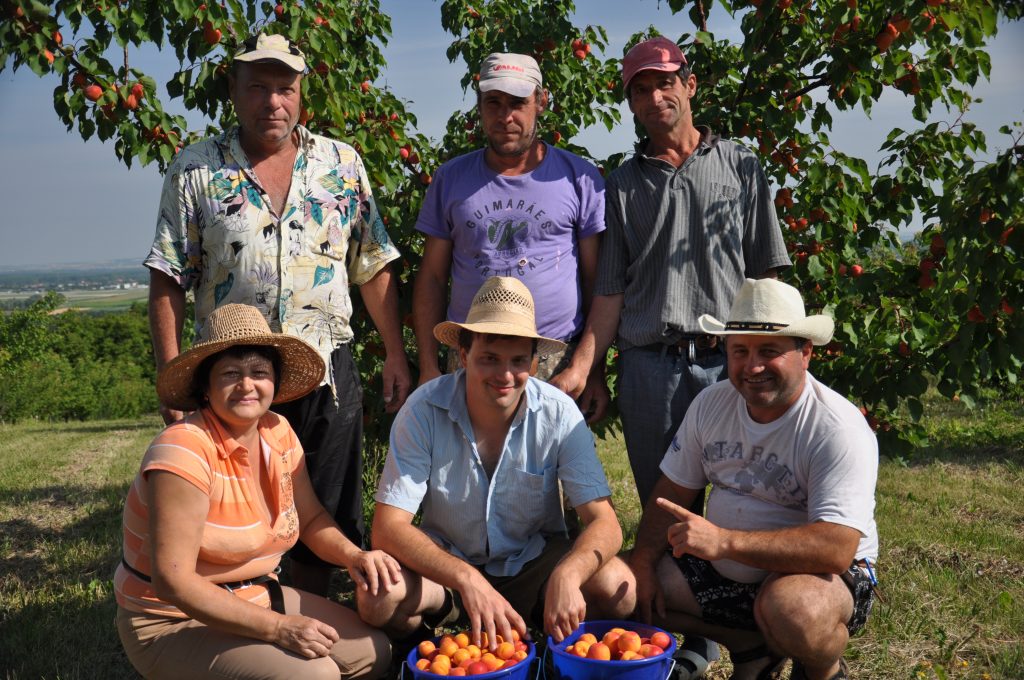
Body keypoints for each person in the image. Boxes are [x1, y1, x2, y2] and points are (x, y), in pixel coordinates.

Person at [550, 37, 792, 676]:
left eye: (664, 83)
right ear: (629, 102)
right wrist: (590, 365)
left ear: (689, 85)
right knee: (665, 501)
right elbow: (611, 289)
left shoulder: (742, 166)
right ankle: (691, 633)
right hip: (651, 363)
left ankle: (756, 628)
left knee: (743, 495)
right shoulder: (621, 185)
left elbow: (768, 273)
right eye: (639, 89)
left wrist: (784, 352)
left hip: (729, 361)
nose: (654, 97)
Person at [145, 31, 412, 595]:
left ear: (301, 94)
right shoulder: (195, 171)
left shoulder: (342, 164)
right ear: (234, 91)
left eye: (285, 88)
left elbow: (372, 264)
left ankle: (317, 618)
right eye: (258, 87)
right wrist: (172, 381)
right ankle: (233, 619)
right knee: (230, 512)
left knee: (329, 510)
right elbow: (168, 276)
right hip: (231, 373)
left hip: (326, 370)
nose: (273, 101)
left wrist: (394, 352)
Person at [114, 303, 400, 680]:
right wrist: (279, 628)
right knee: (314, 675)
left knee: (375, 652)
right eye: (230, 373)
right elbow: (174, 582)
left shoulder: (277, 431)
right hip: (173, 620)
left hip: (256, 593)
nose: (247, 385)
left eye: (259, 372)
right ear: (205, 386)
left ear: (275, 381)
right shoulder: (184, 451)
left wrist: (353, 555)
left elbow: (312, 518)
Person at [356, 276, 636, 648]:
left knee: (621, 588)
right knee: (377, 597)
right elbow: (388, 528)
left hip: (532, 563)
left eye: (518, 361)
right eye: (490, 359)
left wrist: (568, 573)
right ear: (463, 354)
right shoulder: (424, 408)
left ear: (535, 363)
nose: (505, 375)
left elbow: (607, 523)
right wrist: (465, 577)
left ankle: (558, 644)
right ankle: (423, 647)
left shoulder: (558, 413)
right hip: (447, 563)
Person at [629, 278, 879, 680]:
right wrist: (641, 562)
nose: (753, 366)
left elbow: (835, 548)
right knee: (613, 587)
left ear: (806, 353)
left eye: (769, 351)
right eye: (740, 351)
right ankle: (749, 646)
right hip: (722, 567)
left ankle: (824, 670)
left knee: (794, 611)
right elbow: (672, 490)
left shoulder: (836, 428)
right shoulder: (711, 403)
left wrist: (725, 541)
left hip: (822, 577)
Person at [413, 52, 605, 390]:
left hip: (555, 361)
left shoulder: (579, 179)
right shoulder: (451, 179)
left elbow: (597, 283)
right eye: (493, 103)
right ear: (479, 106)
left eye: (518, 103)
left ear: (541, 101)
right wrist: (429, 366)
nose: (506, 116)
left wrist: (590, 369)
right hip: (471, 357)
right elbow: (431, 277)